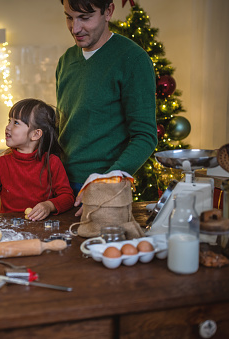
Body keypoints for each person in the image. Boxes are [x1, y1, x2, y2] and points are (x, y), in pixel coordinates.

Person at [56, 0, 157, 215]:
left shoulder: (133, 60)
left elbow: (145, 136)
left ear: (108, 11)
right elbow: (65, 126)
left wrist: (104, 185)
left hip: (104, 190)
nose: (75, 28)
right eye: (69, 17)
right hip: (61, 187)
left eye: (85, 17)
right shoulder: (66, 60)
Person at [0, 98, 74, 221]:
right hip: (10, 229)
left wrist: (48, 205)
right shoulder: (1, 163)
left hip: (42, 228)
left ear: (36, 134)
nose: (8, 127)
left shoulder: (52, 162)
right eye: (9, 121)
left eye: (16, 123)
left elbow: (67, 197)